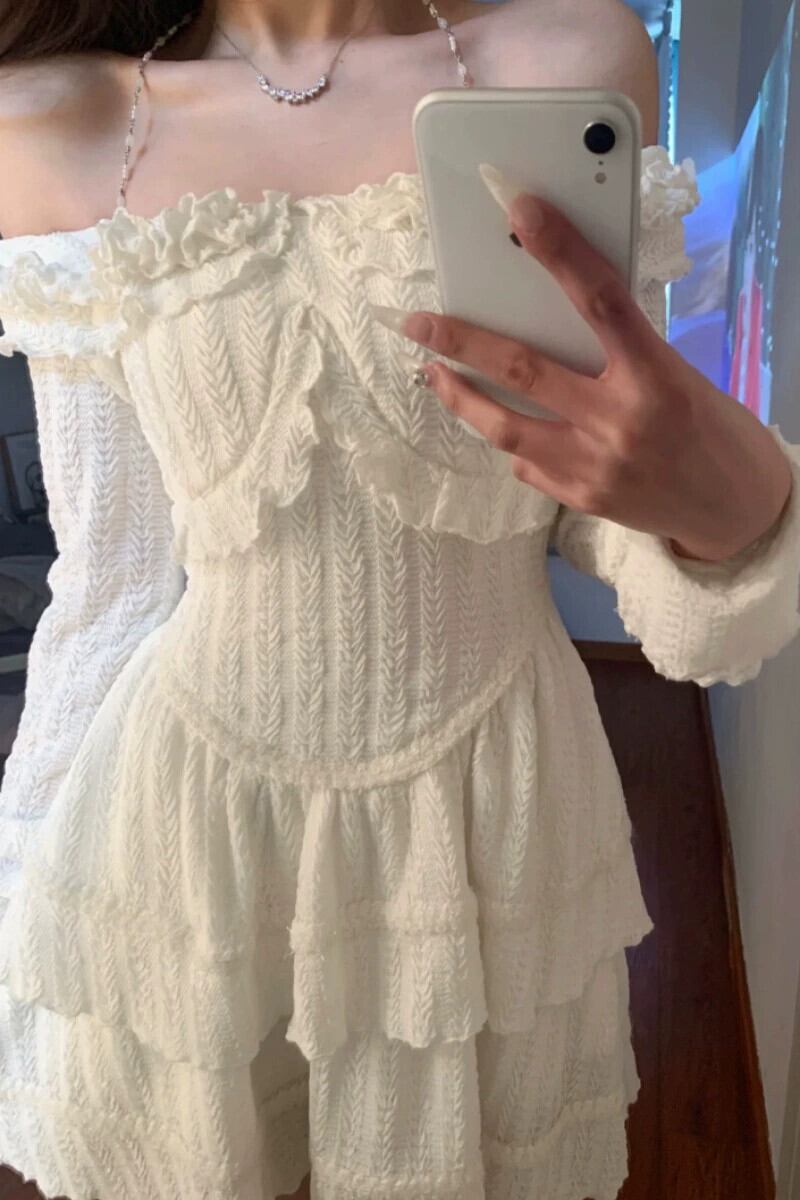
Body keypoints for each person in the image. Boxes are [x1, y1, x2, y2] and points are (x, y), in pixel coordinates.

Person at [0, 2, 798, 1198]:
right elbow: (110, 584)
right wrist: (27, 912)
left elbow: (592, 490)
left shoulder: (566, 60)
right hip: (191, 829)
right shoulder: (54, 121)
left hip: (490, 819)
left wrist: (736, 508)